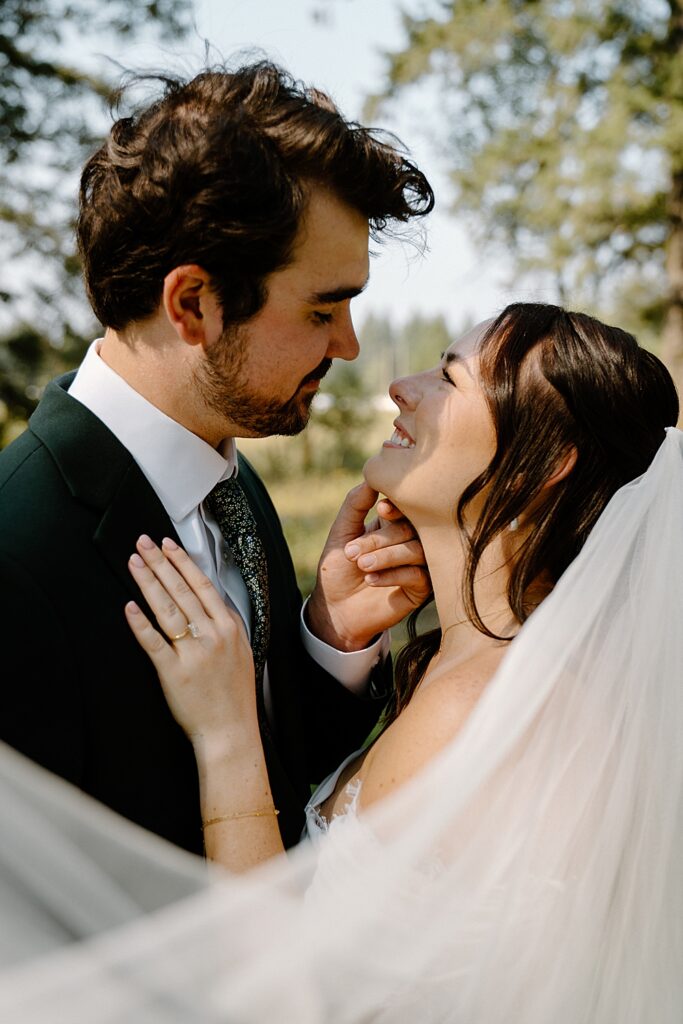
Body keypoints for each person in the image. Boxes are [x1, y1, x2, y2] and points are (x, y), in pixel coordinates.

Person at [0, 302, 681, 1023]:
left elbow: (283, 998)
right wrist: (330, 634)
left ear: (544, 466)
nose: (400, 386)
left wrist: (227, 735)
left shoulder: (477, 705)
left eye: (449, 379)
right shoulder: (483, 670)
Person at [0, 62, 434, 855]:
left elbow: (275, 780)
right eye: (321, 308)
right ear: (192, 304)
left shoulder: (230, 487)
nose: (347, 344)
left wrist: (328, 642)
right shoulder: (15, 555)